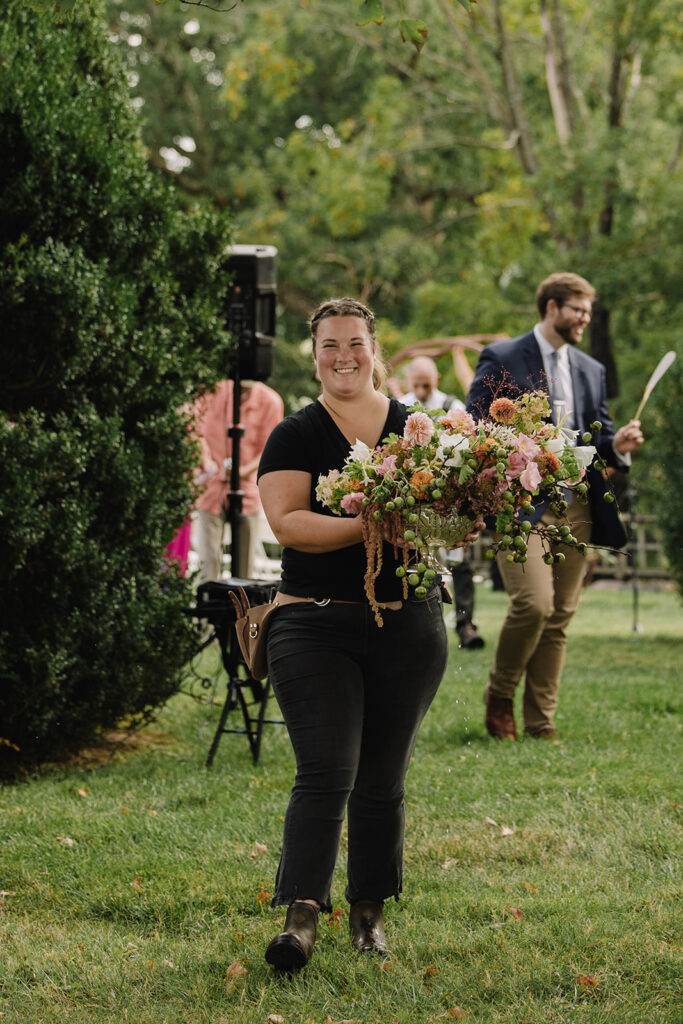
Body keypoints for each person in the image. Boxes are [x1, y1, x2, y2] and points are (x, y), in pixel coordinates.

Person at [257, 298, 478, 971]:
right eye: (329, 345)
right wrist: (372, 524)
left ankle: (368, 914)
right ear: (314, 353)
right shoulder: (296, 434)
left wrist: (460, 520)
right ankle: (300, 917)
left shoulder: (423, 430)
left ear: (374, 348)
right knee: (326, 771)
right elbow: (287, 524)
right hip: (313, 620)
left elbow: (451, 517)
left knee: (381, 780)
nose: (343, 356)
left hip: (408, 623)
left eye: (354, 343)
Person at [467, 272, 644, 740]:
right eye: (577, 309)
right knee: (534, 604)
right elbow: (474, 423)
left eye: (587, 310)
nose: (585, 317)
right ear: (551, 307)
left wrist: (618, 444)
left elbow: (597, 435)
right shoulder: (502, 356)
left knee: (560, 614)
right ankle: (500, 693)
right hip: (521, 505)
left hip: (578, 503)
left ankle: (540, 721)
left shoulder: (591, 368)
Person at [400, 356, 485, 650]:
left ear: (436, 379)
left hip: (449, 493)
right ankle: (418, 626)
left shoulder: (453, 406)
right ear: (410, 381)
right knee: (417, 560)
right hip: (415, 496)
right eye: (417, 384)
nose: (422, 390)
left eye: (427, 384)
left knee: (459, 562)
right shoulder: (400, 405)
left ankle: (465, 623)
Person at [194, 379, 283, 583]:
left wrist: (241, 472)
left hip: (247, 491)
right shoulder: (213, 391)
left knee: (244, 570)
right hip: (211, 489)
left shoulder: (270, 401)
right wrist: (208, 463)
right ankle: (208, 614)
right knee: (208, 564)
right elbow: (197, 432)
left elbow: (269, 448)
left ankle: (242, 614)